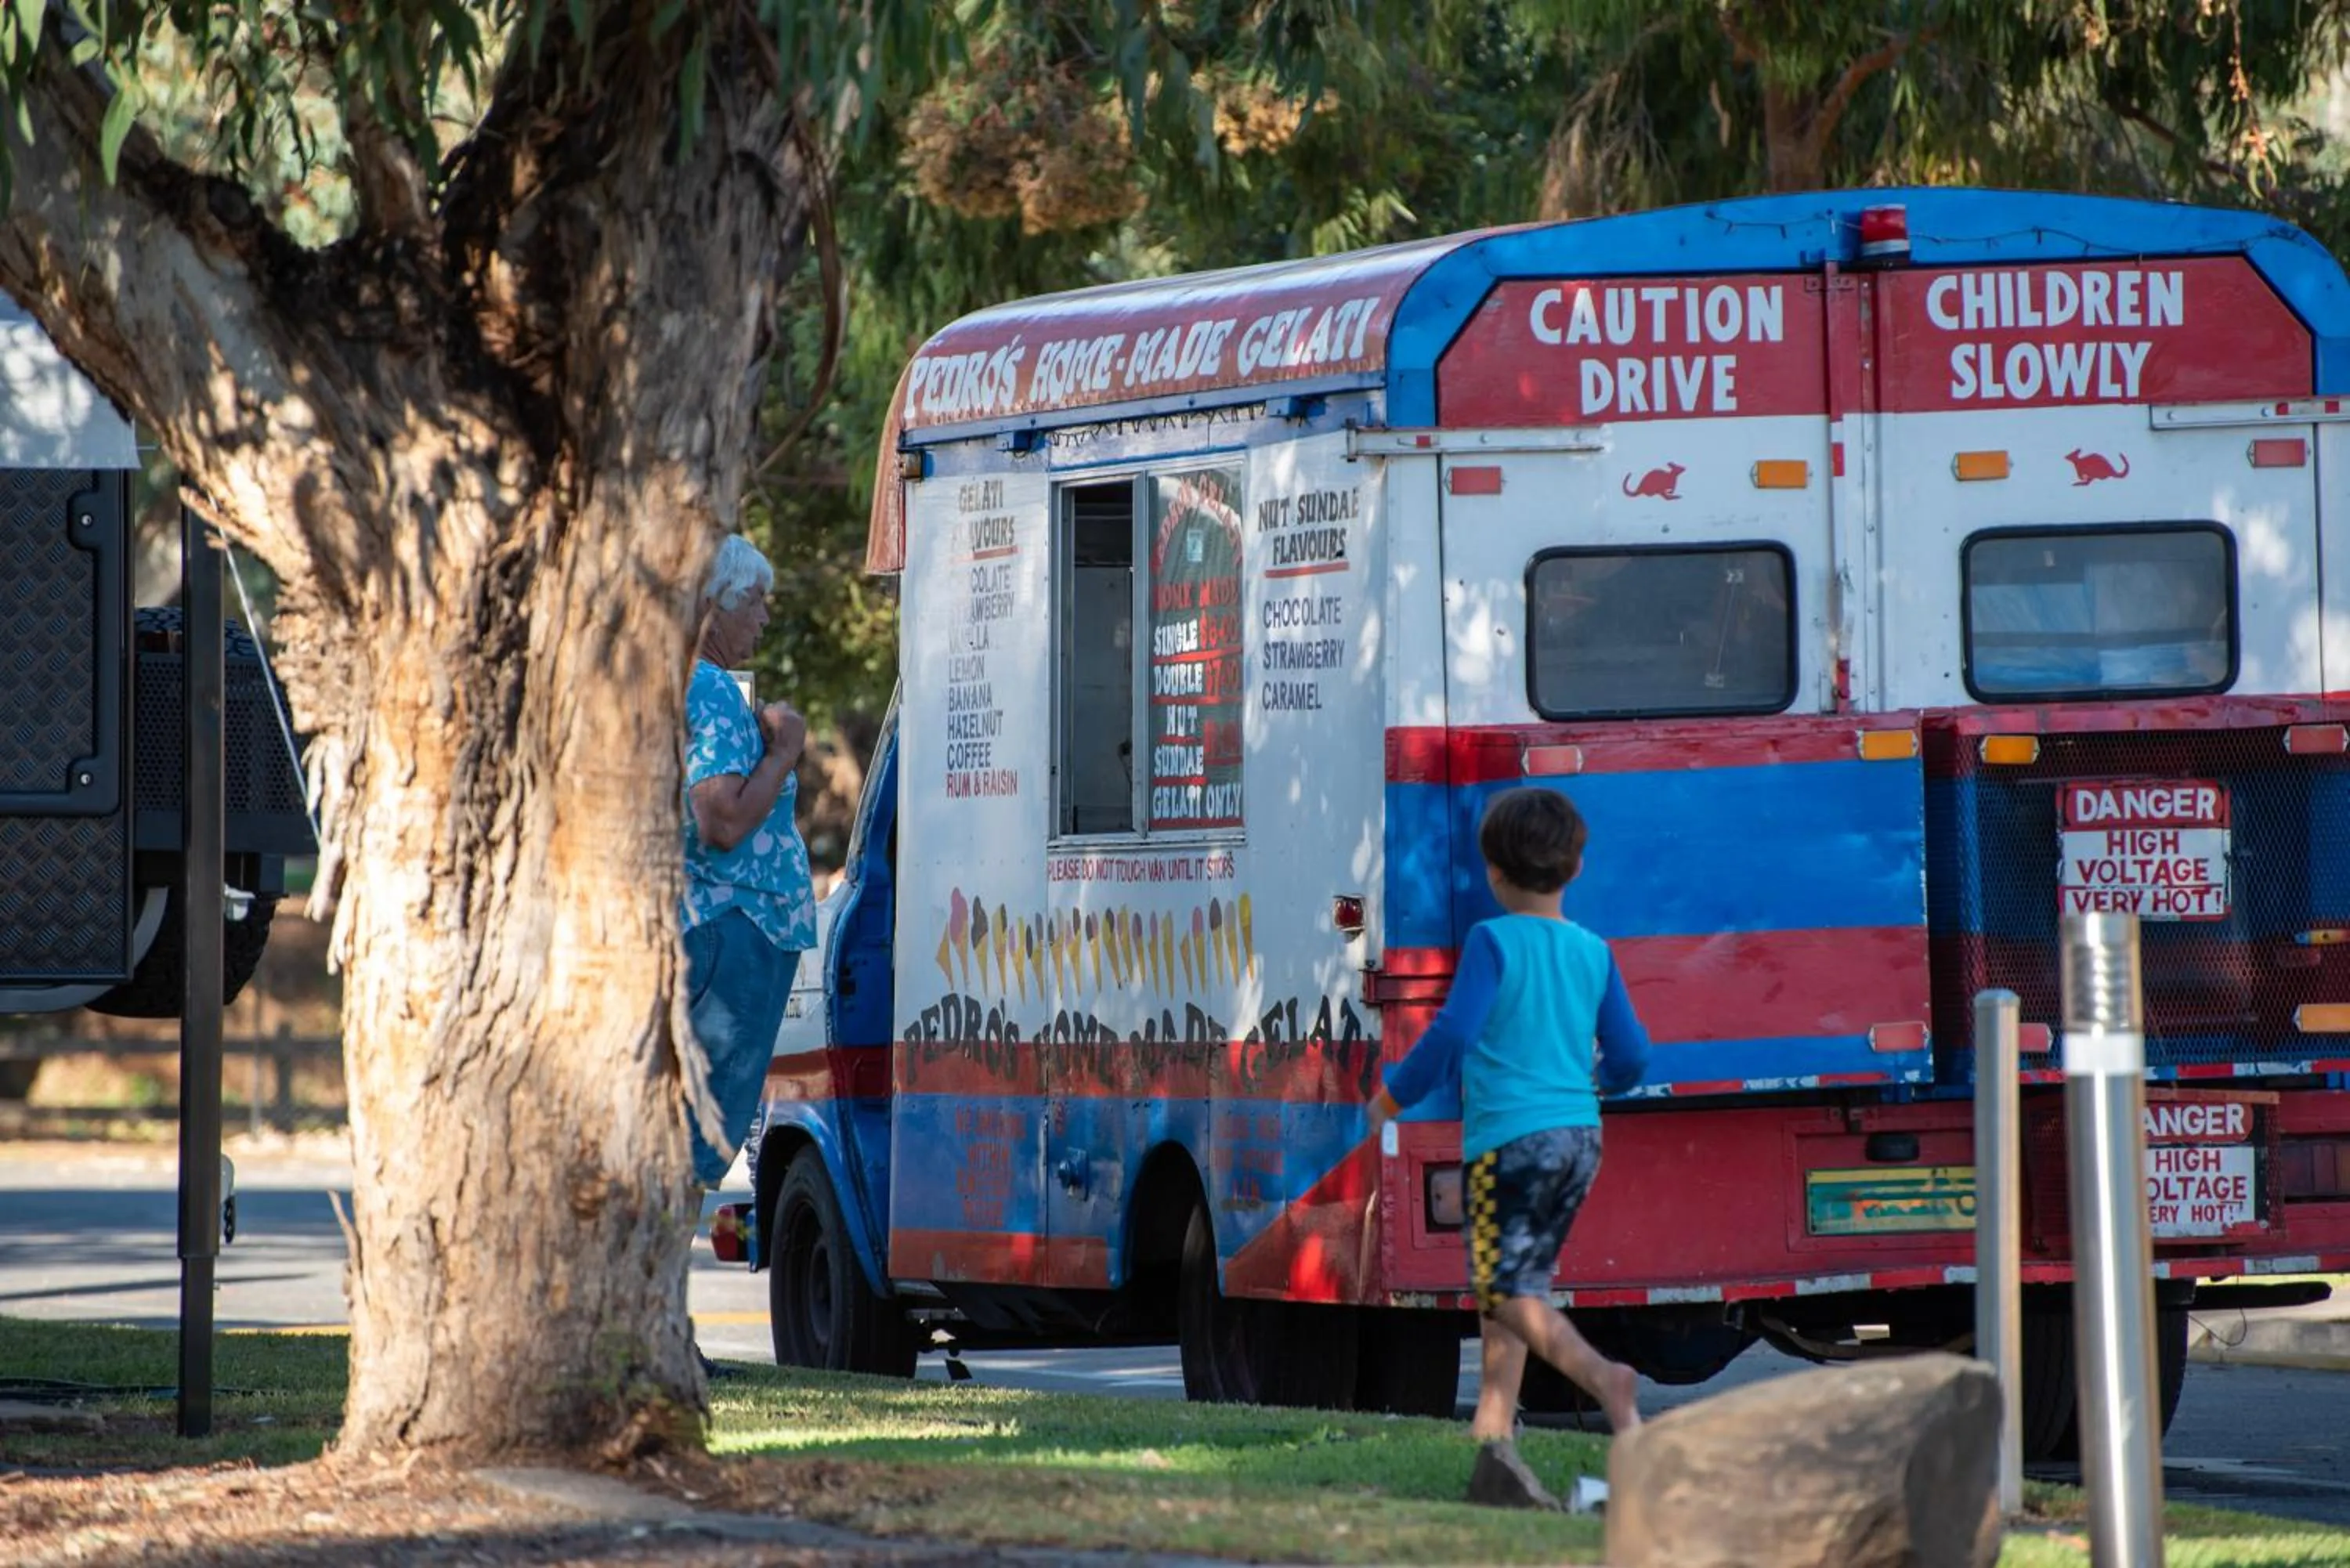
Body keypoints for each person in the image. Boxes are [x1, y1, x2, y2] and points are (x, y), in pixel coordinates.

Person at [1367, 786, 1650, 1509]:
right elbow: (1633, 1055)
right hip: (1579, 1138)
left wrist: (1395, 1095)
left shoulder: (1493, 942)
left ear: (1493, 873)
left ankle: (1603, 1379)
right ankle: (1492, 1444)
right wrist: (1597, 1081)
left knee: (1502, 1289)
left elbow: (1454, 1034)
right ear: (1577, 867)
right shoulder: (1593, 950)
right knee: (1515, 1291)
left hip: (1510, 1143)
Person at [681, 533, 815, 1234]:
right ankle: (657, 1320)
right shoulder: (706, 685)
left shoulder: (692, 683)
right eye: (755, 601)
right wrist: (787, 749)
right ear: (717, 604)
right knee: (690, 1142)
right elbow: (721, 818)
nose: (763, 617)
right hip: (731, 930)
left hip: (727, 929)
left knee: (687, 1136)